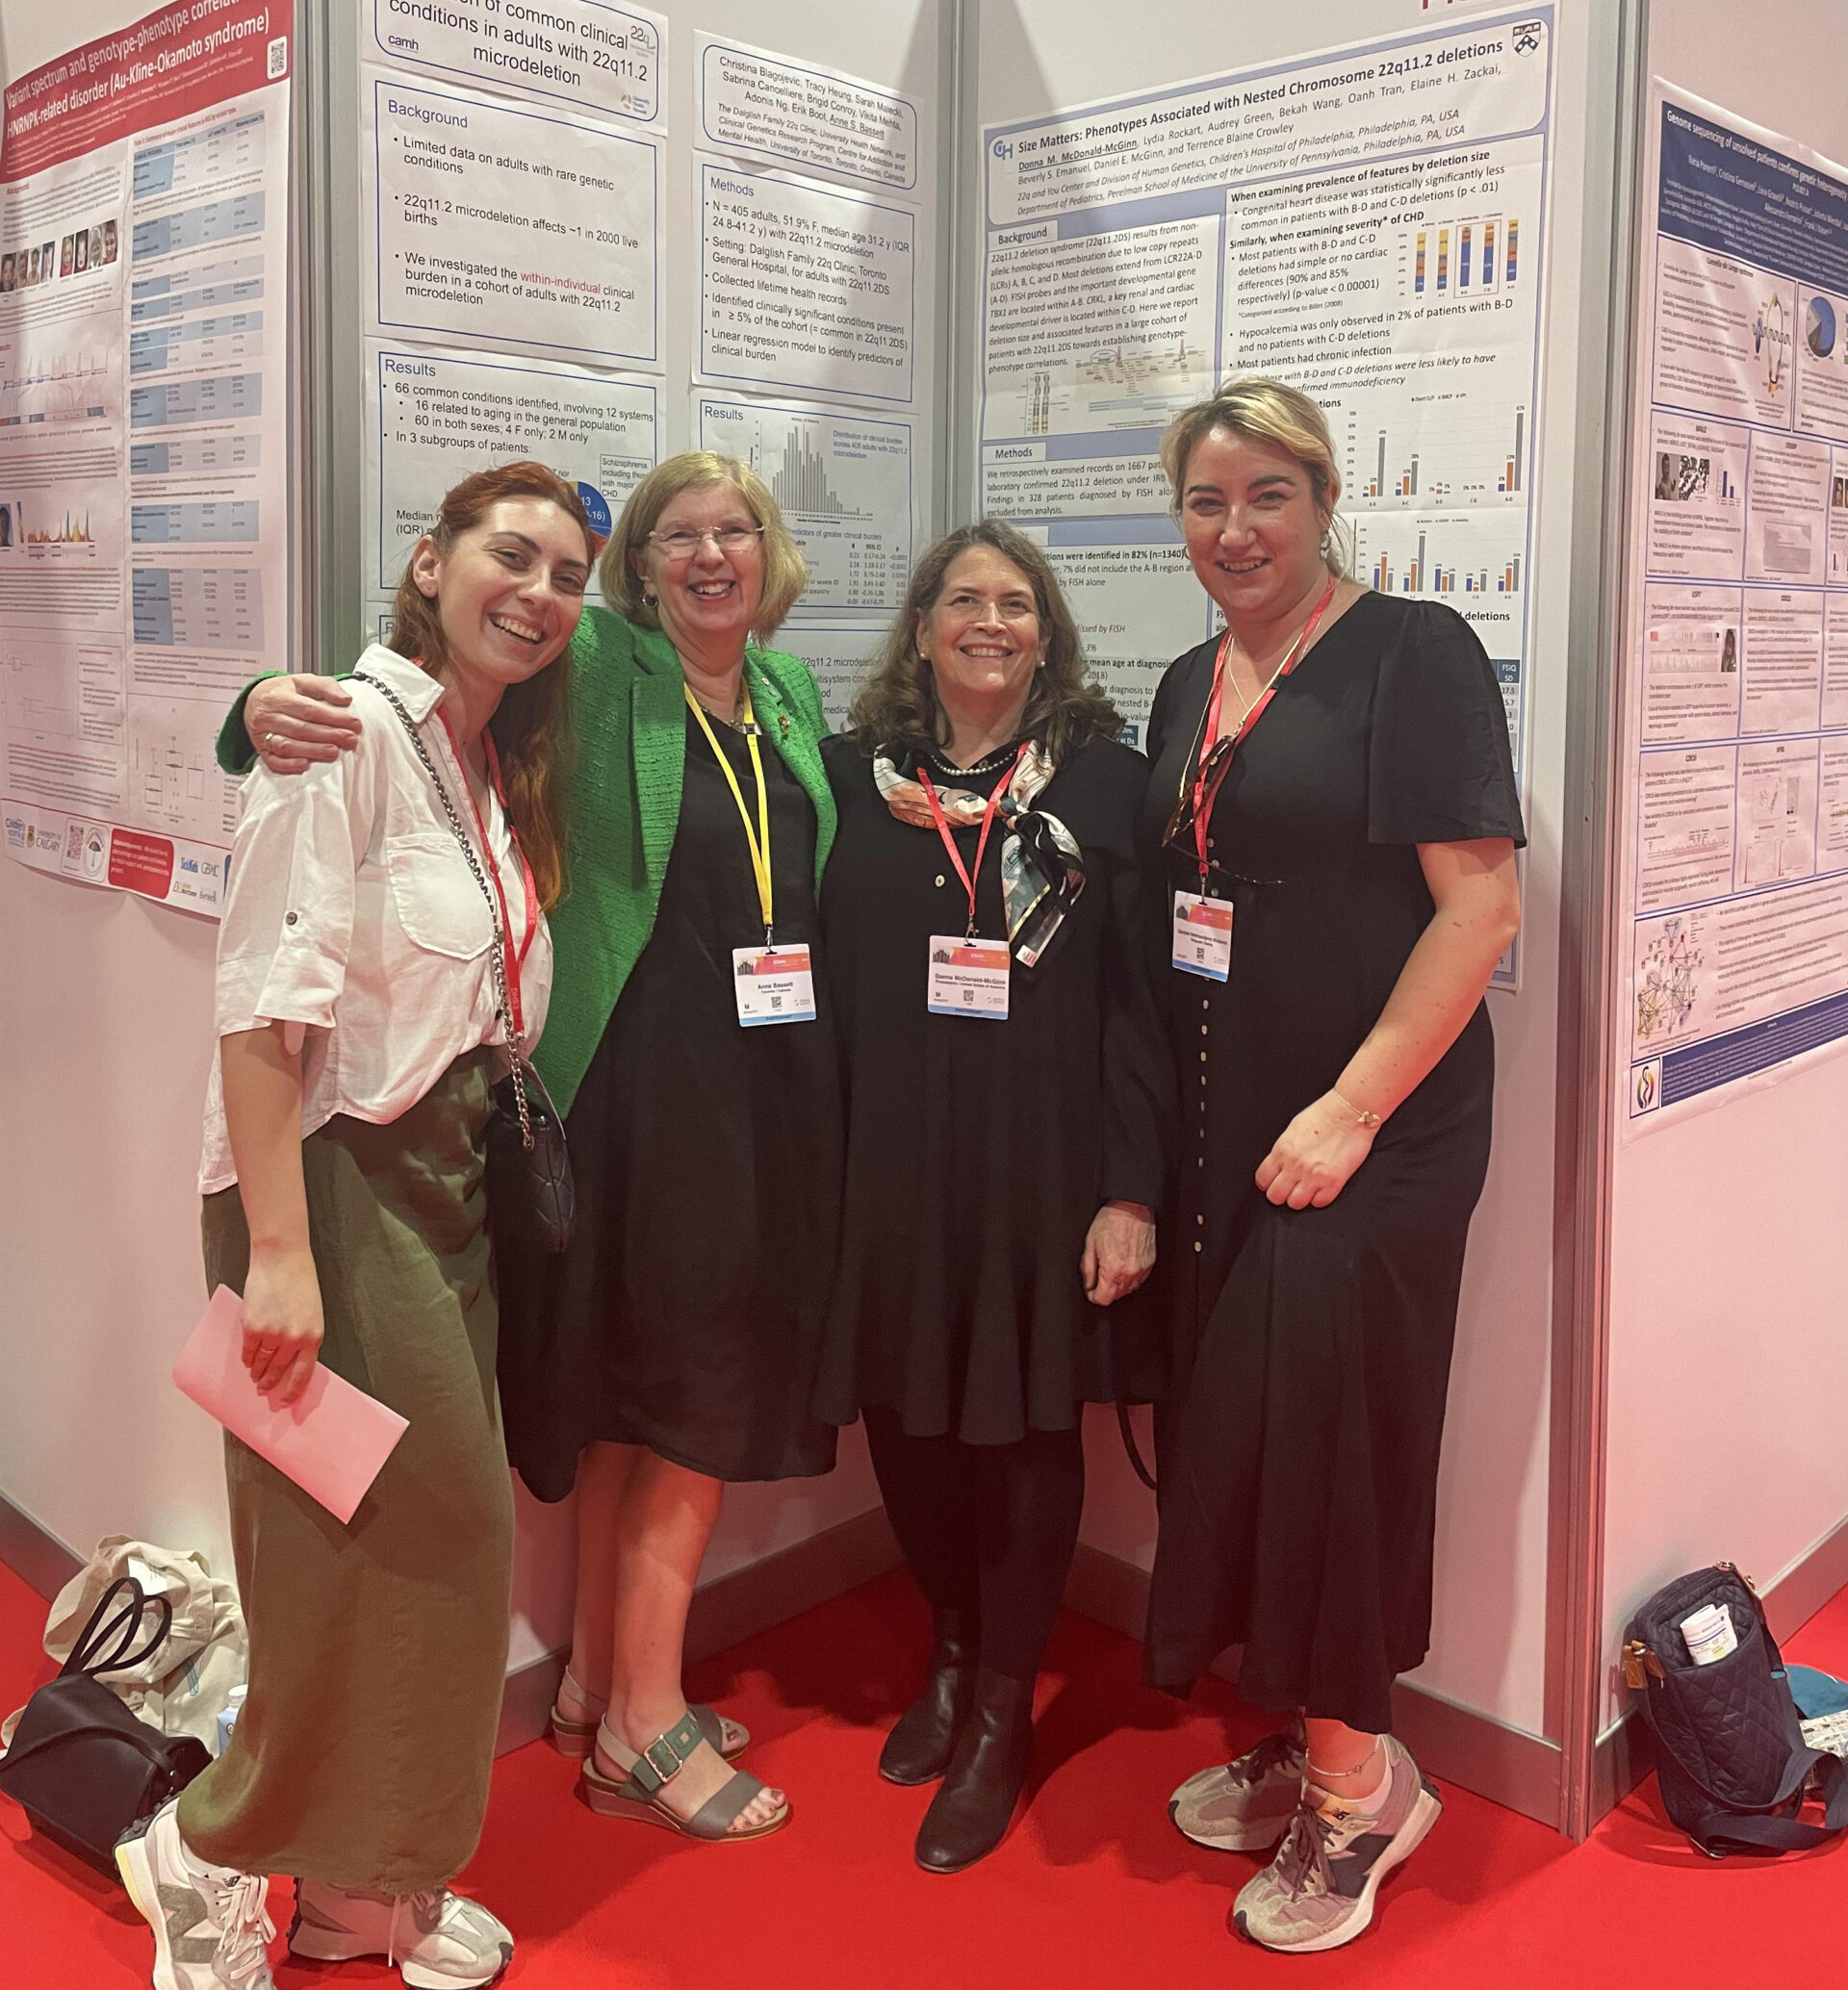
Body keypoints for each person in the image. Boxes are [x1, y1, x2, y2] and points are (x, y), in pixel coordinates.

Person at [232, 450, 839, 1845]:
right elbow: (437, 672)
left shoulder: (793, 693)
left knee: (649, 1396)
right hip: (634, 1089)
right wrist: (256, 704)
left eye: (735, 530)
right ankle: (643, 1725)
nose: (709, 556)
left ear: (771, 550)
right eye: (677, 535)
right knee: (684, 1399)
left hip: (762, 1091)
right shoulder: (609, 663)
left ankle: (598, 1682)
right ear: (641, 570)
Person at [117, 461, 593, 1990]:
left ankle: (358, 1894)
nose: (539, 592)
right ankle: (203, 1855)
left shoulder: (483, 754)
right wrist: (279, 1255)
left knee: (423, 1554)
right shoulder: (340, 735)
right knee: (369, 1549)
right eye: (511, 555)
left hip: (443, 1185)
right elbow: (260, 1009)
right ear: (431, 562)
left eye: (568, 575)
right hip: (332, 1182)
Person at [1139, 379, 1523, 1956]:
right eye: (1207, 501)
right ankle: (1312, 1727)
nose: (1235, 530)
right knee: (1243, 1429)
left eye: (1268, 497)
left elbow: (1481, 910)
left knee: (1332, 1436)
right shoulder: (1188, 680)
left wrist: (1353, 1110)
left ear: (1325, 499)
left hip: (1377, 1129)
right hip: (1235, 1124)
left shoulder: (1413, 653)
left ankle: (1367, 1788)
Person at [815, 522, 1170, 1873]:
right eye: (962, 600)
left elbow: (1139, 1004)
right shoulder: (852, 779)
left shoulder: (1104, 783)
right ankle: (955, 1655)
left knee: (1021, 1430)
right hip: (891, 1166)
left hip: (1042, 1169)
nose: (989, 621)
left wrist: (1130, 1191)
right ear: (920, 631)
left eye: (1016, 602)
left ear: (1047, 634)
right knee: (905, 1415)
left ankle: (1004, 1715)